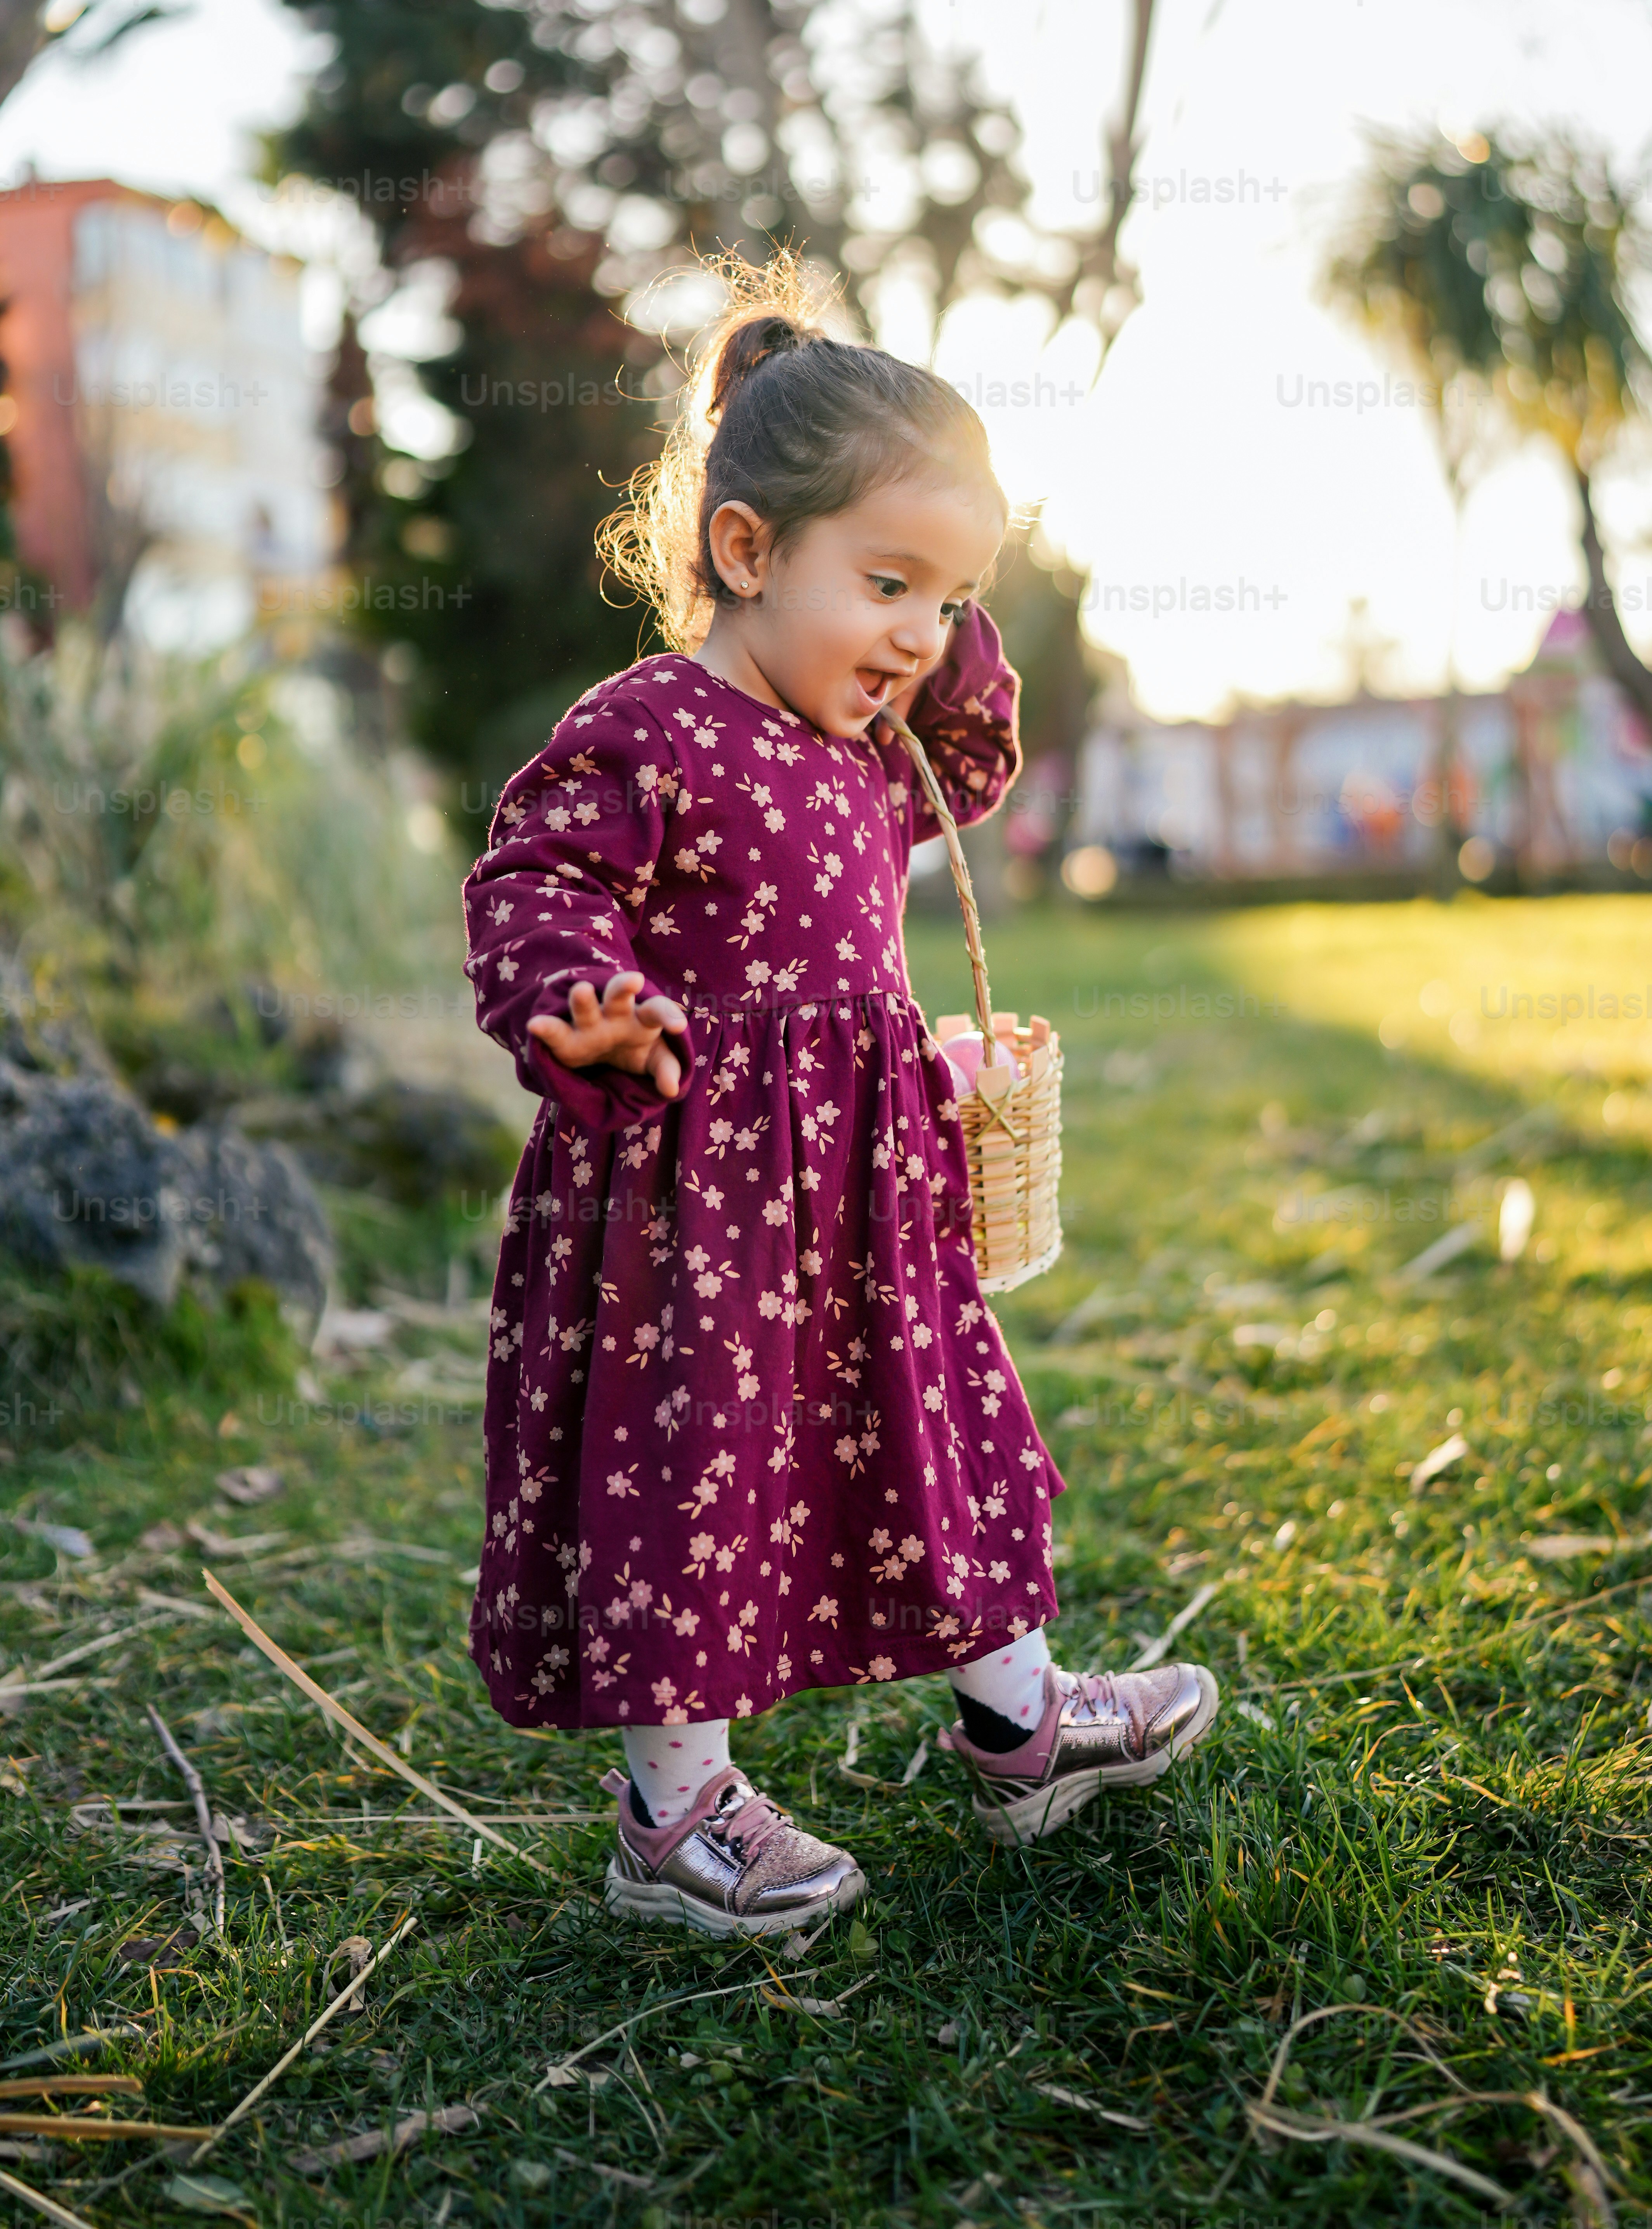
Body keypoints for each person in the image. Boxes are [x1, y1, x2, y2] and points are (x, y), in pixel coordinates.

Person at [461, 257, 1219, 1938]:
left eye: (946, 599)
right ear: (744, 552)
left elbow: (970, 758)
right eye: (886, 583)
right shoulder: (651, 723)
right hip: (691, 1205)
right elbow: (536, 879)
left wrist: (935, 612)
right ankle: (676, 1810)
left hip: (871, 1192)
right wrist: (583, 1008)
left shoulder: (869, 753)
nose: (920, 637)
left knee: (935, 1434)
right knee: (692, 1477)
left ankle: (1022, 1726)